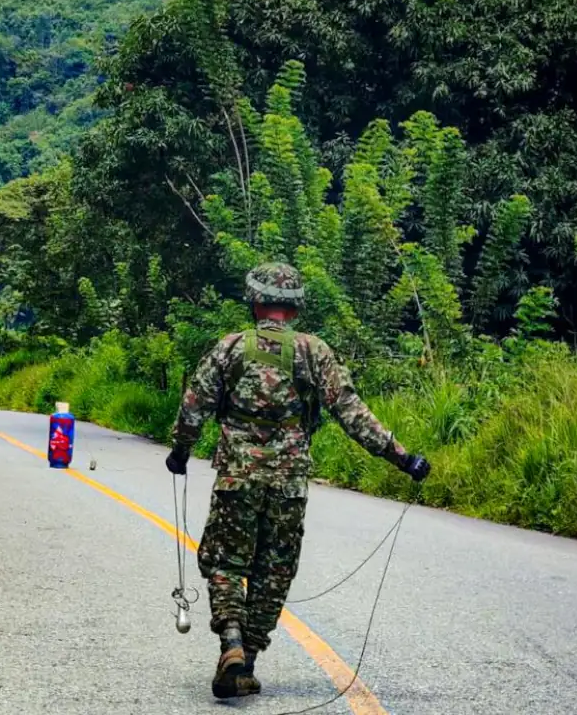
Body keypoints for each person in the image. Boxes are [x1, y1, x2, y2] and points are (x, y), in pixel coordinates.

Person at [166, 262, 430, 699]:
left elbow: (194, 406)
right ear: (296, 307)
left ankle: (230, 639)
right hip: (288, 484)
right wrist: (402, 458)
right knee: (274, 570)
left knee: (226, 563)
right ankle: (247, 659)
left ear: (255, 302)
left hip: (237, 479)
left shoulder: (230, 348)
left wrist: (180, 451)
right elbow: (351, 412)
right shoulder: (314, 351)